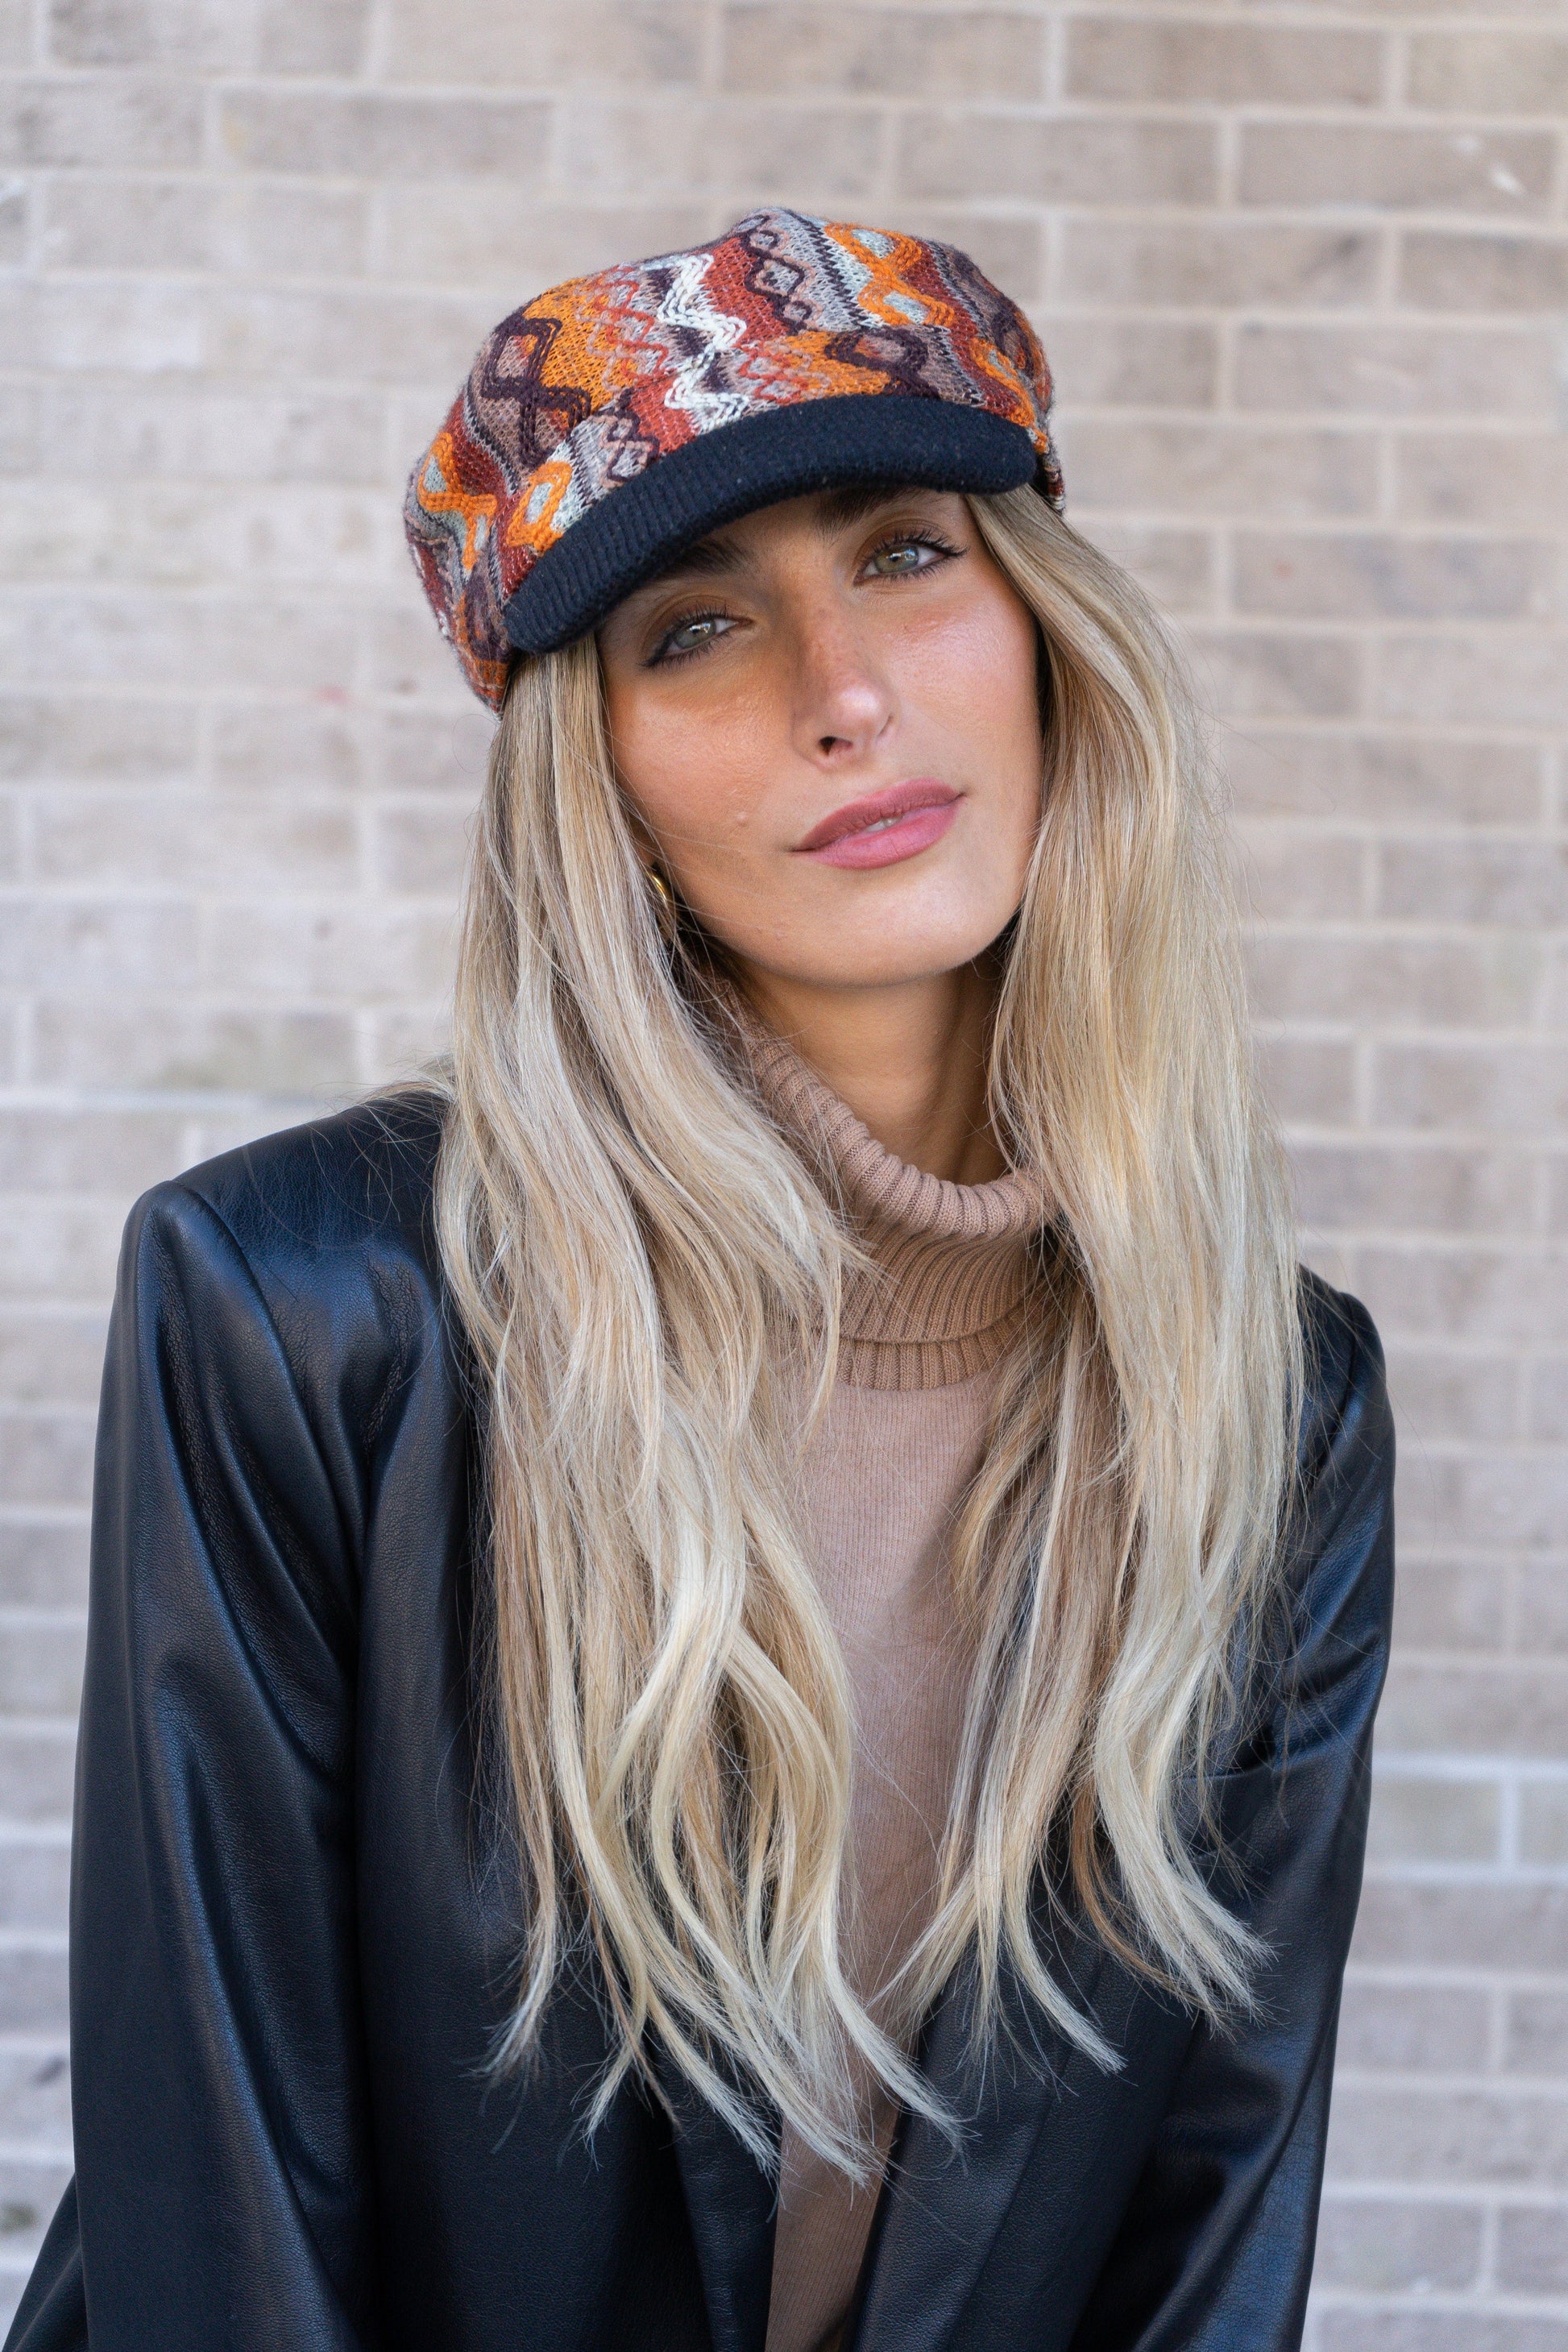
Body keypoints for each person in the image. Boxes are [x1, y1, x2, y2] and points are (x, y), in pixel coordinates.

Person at [7, 209, 1393, 2352]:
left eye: (907, 555)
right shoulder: (296, 1310)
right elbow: (224, 2200)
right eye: (697, 630)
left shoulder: (1271, 1395)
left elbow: (1215, 2218)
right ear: (602, 787)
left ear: (1046, 629)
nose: (845, 696)